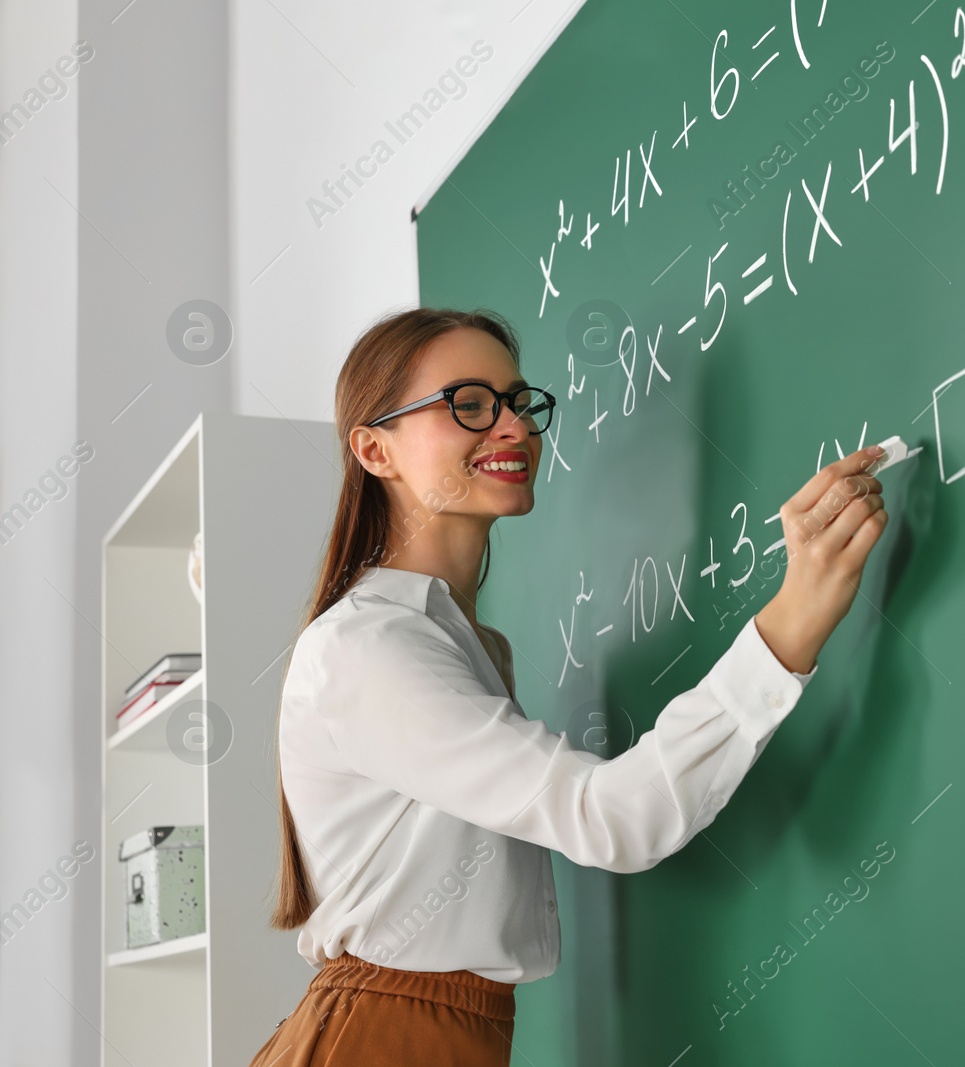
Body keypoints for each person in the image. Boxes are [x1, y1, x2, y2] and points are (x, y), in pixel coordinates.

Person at [247, 307, 888, 1065]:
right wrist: (792, 625)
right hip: (385, 1040)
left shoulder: (463, 643)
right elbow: (613, 816)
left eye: (518, 401)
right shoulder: (368, 646)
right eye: (469, 404)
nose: (513, 427)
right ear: (374, 448)